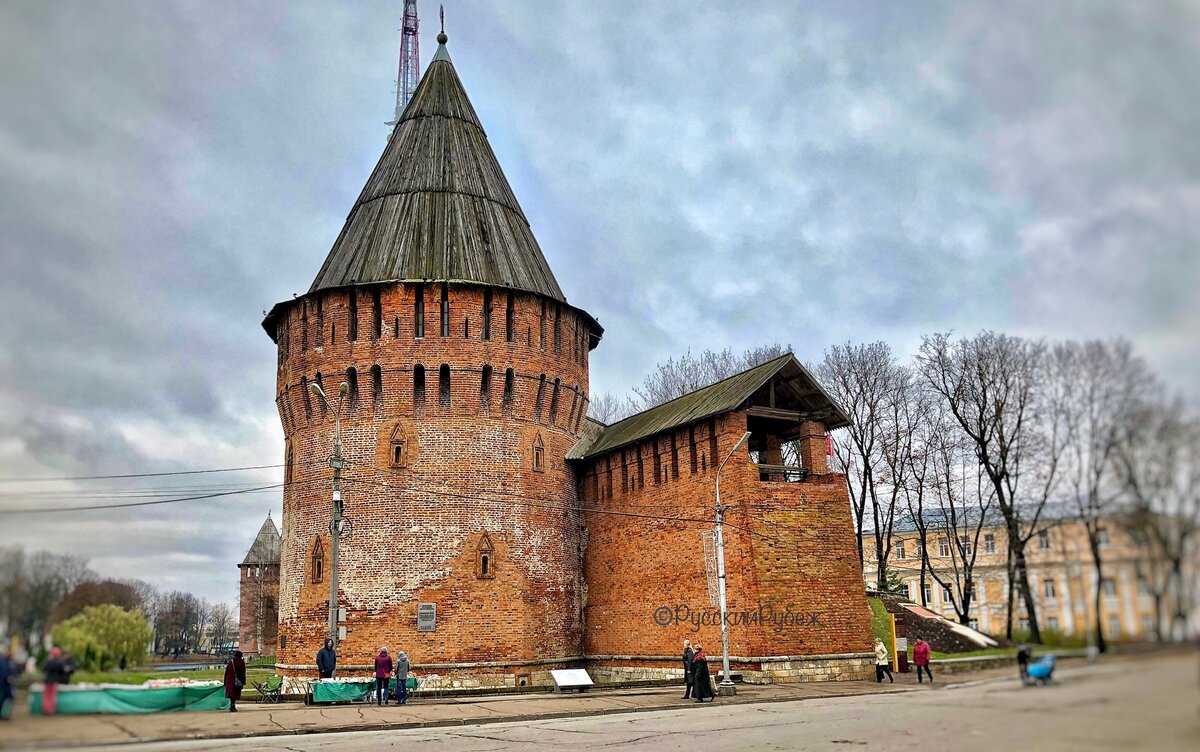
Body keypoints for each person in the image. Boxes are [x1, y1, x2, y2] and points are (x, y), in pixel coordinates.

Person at [42, 647, 70, 715]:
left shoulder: (48, 661)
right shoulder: (60, 662)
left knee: (46, 696)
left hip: (47, 680)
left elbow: (43, 669)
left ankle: (46, 710)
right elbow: (64, 671)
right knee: (52, 696)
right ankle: (51, 710)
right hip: (54, 681)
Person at [0, 648, 16, 721]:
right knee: (4, 698)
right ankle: (4, 715)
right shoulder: (2, 661)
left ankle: (4, 714)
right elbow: (4, 672)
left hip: (7, 684)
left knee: (8, 698)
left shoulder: (8, 661)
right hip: (3, 684)